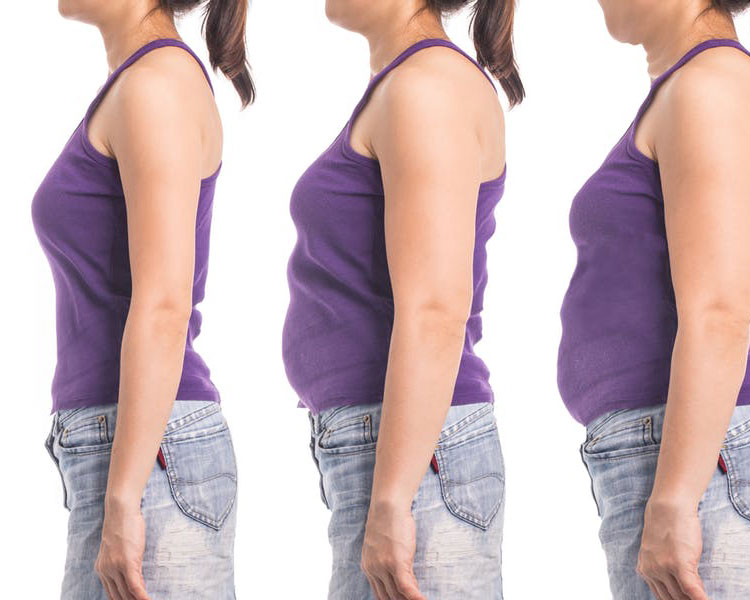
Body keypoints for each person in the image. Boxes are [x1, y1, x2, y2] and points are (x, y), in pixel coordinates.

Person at [558, 0, 750, 598]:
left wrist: (674, 497)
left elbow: (720, 311)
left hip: (704, 467)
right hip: (692, 464)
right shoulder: (692, 87)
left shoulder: (710, 87)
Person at [282, 0, 523, 598]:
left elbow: (438, 309)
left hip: (417, 458)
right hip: (402, 452)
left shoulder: (426, 88)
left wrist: (392, 499)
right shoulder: (407, 85)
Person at [32, 1, 253, 598]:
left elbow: (163, 303)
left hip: (148, 455)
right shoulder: (138, 84)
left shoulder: (156, 86)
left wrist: (125, 497)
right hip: (132, 448)